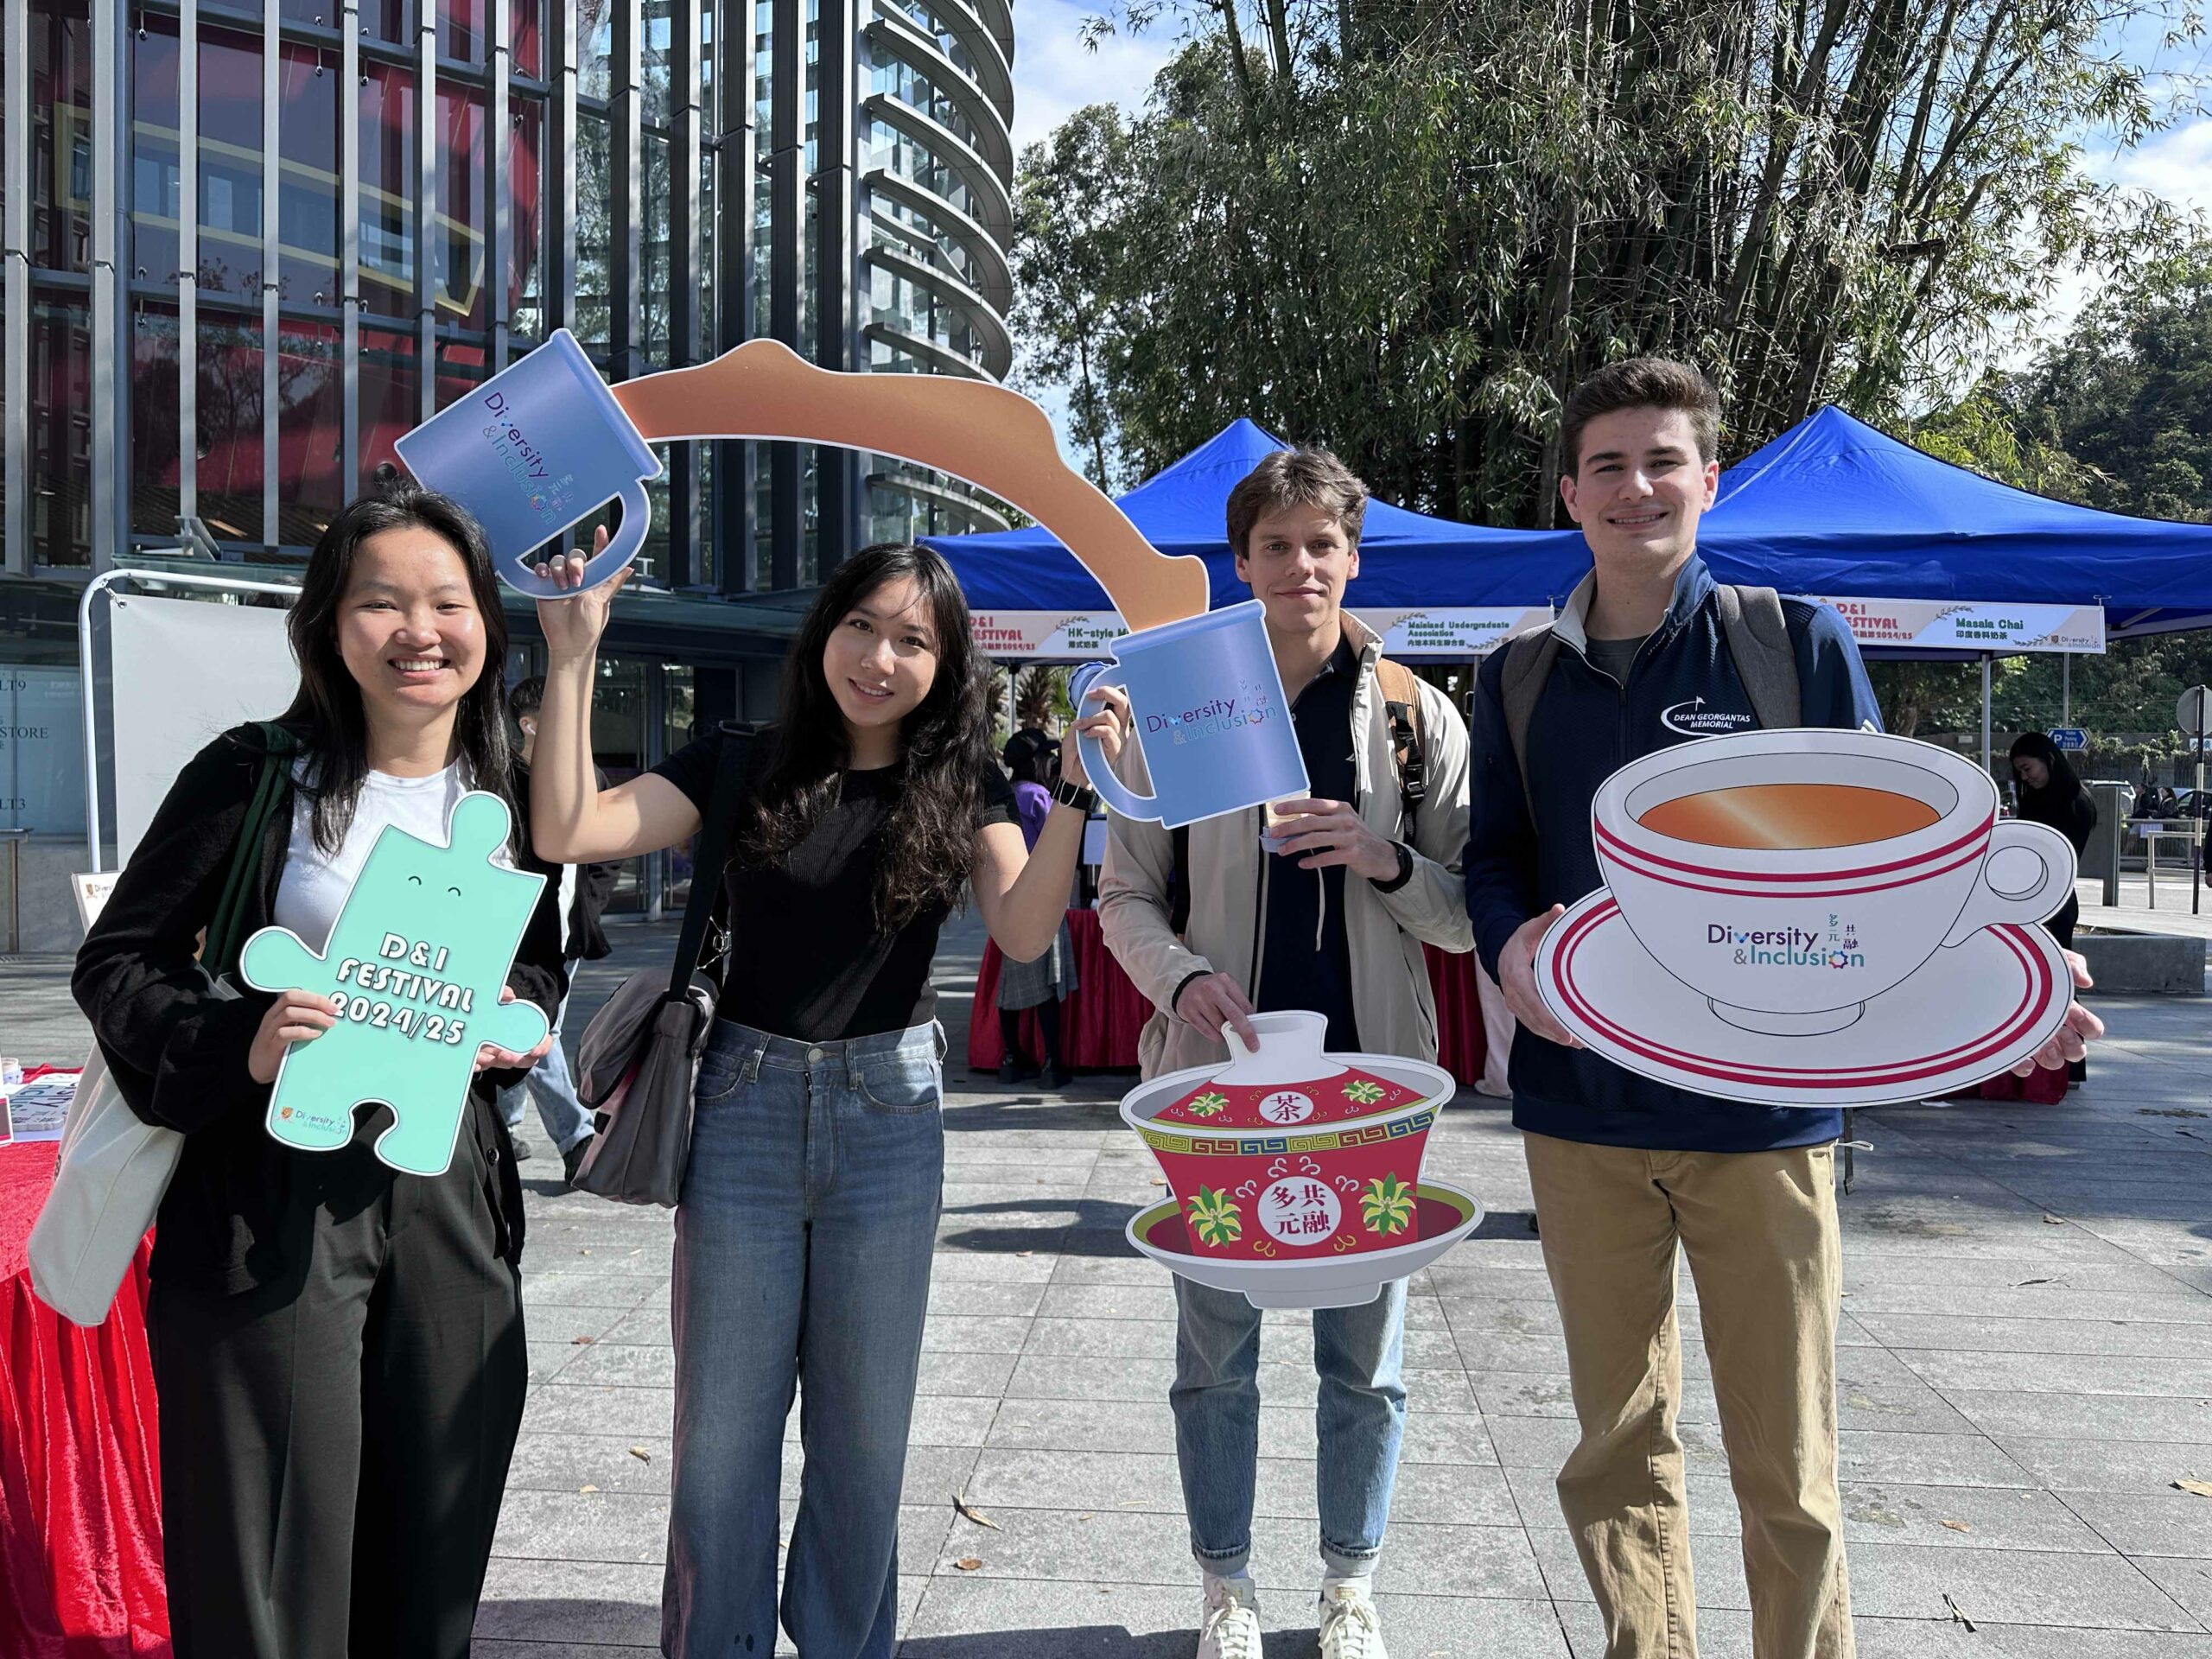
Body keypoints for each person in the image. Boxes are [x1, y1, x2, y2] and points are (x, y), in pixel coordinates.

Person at [1464, 358, 2101, 1659]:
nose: (1634, 487)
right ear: (1571, 494)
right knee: (1614, 1448)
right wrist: (1510, 941)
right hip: (1579, 1109)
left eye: (1661, 462)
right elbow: (1495, 855)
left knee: (1788, 1468)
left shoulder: (1787, 642)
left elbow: (1884, 861)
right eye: (1606, 466)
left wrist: (2006, 980)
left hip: (1765, 1115)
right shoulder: (1519, 671)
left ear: (1708, 479)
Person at [528, 534, 1123, 1659]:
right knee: (721, 1445)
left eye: (914, 640)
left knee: (863, 1443)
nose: (881, 658)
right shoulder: (744, 758)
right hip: (743, 1108)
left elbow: (1027, 929)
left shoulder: (963, 781)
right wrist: (570, 656)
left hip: (888, 1119)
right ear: (825, 631)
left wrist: (1082, 801)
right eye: (863, 625)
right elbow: (570, 828)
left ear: (946, 667)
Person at [73, 480, 565, 1658]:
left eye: (448, 603)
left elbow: (540, 965)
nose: (419, 631)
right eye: (381, 603)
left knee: (433, 1546)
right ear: (328, 625)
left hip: (448, 1188)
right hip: (268, 1195)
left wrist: (521, 1022)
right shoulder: (255, 774)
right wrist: (232, 1039)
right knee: (269, 1565)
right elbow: (119, 963)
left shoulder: (508, 786)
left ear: (486, 623)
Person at [1097, 446, 1473, 1659]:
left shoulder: (1419, 717)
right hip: (1220, 1089)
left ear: (1353, 558)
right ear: (1242, 562)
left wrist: (1384, 860)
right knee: (1215, 1354)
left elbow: (1470, 910)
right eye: (1276, 544)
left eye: (1323, 544)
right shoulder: (1187, 707)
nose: (1301, 565)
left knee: (1367, 1356)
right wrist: (1185, 978)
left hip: (1369, 1086)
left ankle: (1350, 1585)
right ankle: (1228, 1589)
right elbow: (1124, 898)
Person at [501, 673, 622, 1181]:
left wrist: (586, 911)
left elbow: (607, 855)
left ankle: (503, 1123)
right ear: (528, 724)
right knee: (537, 1032)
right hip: (511, 940)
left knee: (533, 1032)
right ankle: (576, 1139)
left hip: (565, 936)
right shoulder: (501, 779)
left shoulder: (589, 777)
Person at [995, 728, 1079, 1086]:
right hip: (1043, 899)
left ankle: (1012, 1057)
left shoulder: (1006, 795)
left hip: (1008, 900)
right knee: (1048, 985)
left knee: (1009, 987)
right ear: (1036, 761)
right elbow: (1059, 843)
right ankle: (1053, 1062)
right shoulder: (1040, 797)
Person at [2009, 732, 2095, 950]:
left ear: (2049, 759)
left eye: (2027, 769)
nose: (2024, 777)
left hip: (2055, 900)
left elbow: (2062, 858)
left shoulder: (2076, 801)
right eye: (2020, 772)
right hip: (2028, 894)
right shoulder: (2034, 799)